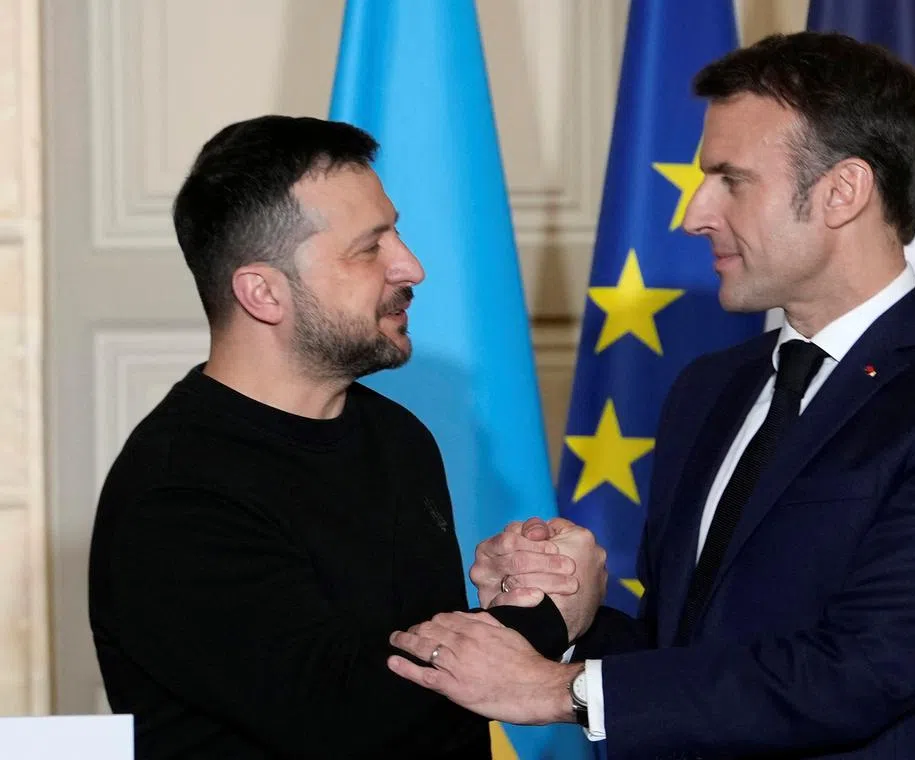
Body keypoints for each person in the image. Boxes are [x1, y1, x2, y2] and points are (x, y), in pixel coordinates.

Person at [385, 31, 915, 759]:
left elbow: (864, 672)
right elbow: (688, 649)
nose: (695, 213)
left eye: (731, 179)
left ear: (843, 192)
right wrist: (574, 617)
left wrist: (556, 691)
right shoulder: (712, 388)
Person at [87, 115, 570, 759]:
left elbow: (419, 670)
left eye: (395, 231)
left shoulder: (397, 436)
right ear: (263, 292)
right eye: (370, 247)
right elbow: (350, 714)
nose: (412, 266)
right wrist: (548, 615)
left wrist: (510, 598)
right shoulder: (179, 496)